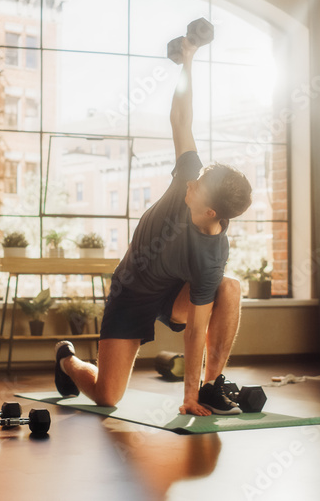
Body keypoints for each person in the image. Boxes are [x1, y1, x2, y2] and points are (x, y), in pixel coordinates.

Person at [53, 35, 253, 417]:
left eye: (200, 187)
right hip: (132, 290)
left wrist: (190, 395)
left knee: (229, 289)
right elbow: (181, 118)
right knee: (107, 395)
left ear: (213, 213)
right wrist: (188, 63)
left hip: (173, 293)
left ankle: (212, 388)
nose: (192, 183)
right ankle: (65, 360)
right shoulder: (189, 179)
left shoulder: (212, 254)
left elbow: (196, 330)